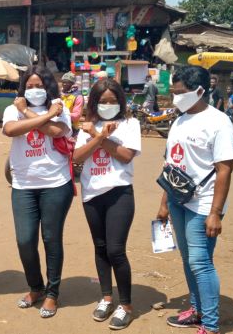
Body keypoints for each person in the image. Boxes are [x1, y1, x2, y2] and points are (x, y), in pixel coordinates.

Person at [156, 65, 233, 334]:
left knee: (200, 262)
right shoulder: (179, 121)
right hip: (179, 199)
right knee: (188, 258)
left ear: (200, 91)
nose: (175, 97)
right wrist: (164, 202)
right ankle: (196, 308)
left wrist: (215, 212)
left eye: (180, 92)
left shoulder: (219, 122)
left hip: (204, 204)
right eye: (173, 91)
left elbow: (224, 169)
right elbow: (172, 164)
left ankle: (210, 325)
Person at [2, 65, 74, 319]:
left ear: (48, 87)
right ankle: (36, 287)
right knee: (25, 240)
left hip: (56, 183)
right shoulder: (13, 109)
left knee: (51, 239)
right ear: (23, 89)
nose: (34, 90)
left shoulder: (60, 108)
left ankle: (52, 293)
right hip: (23, 185)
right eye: (30, 86)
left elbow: (56, 132)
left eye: (39, 85)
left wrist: (28, 113)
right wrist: (30, 112)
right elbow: (11, 130)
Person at [73, 79, 141, 330]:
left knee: (115, 250)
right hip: (92, 194)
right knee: (100, 248)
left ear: (121, 102)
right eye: (103, 101)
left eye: (113, 101)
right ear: (95, 102)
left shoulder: (130, 124)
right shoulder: (88, 126)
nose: (108, 105)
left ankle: (126, 305)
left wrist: (97, 136)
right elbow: (77, 157)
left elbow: (125, 156)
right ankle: (106, 298)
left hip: (119, 192)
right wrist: (98, 134)